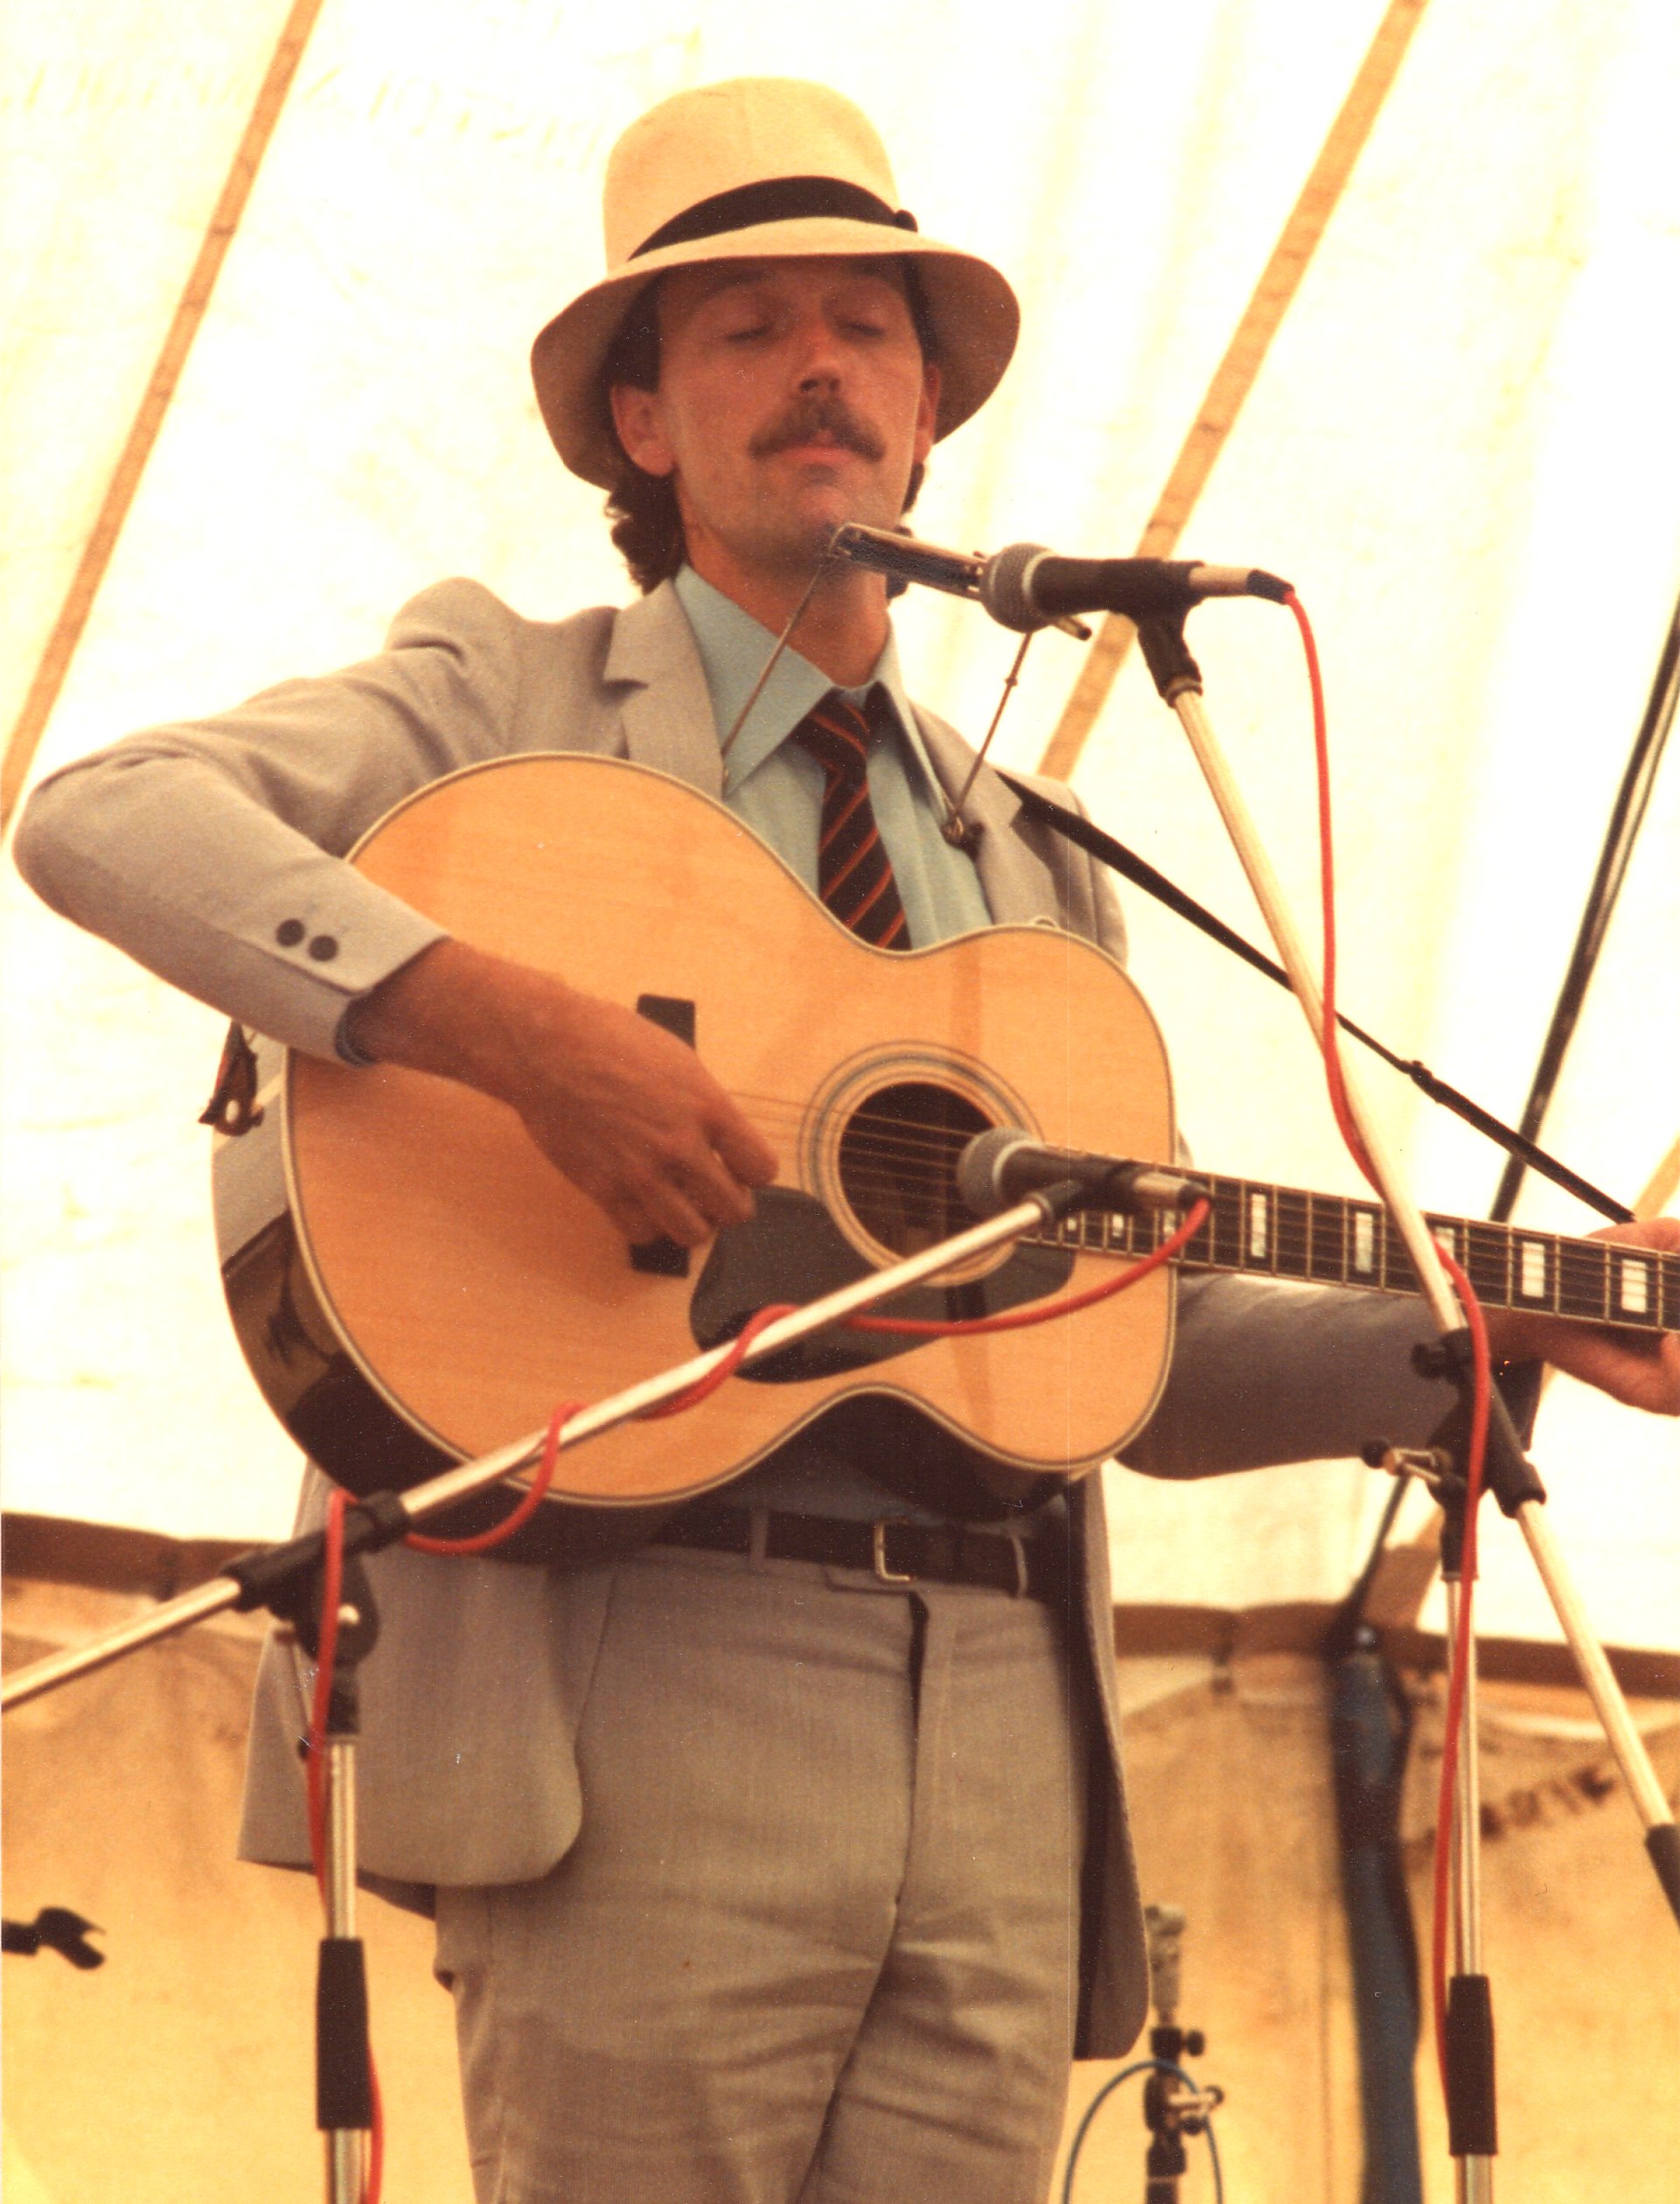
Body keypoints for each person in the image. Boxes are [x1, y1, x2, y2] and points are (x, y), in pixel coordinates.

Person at [15, 75, 1677, 2204]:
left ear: (921, 411)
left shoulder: (1029, 865)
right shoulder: (500, 695)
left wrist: (1522, 1330)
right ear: (641, 423)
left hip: (998, 1727)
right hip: (639, 1684)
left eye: (868, 327)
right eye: (747, 325)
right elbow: (101, 817)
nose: (822, 366)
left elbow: (1116, 1357)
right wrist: (514, 1035)